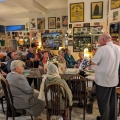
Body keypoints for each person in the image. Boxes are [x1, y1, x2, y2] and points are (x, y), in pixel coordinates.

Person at [91, 33, 120, 120]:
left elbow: (93, 62)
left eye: (100, 40)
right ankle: (112, 118)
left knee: (103, 102)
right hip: (113, 79)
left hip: (103, 80)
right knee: (112, 102)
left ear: (103, 40)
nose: (99, 42)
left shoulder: (102, 49)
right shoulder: (118, 48)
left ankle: (104, 118)